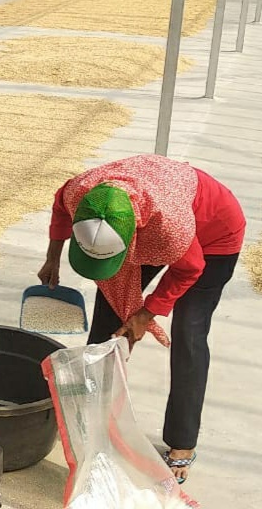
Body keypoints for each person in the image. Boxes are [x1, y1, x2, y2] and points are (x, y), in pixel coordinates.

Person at [37, 154, 245, 485]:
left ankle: (182, 442)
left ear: (132, 240)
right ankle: (94, 417)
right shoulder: (80, 192)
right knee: (110, 317)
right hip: (143, 215)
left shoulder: (168, 229)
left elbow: (190, 268)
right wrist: (53, 257)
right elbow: (61, 208)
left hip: (212, 238)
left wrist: (147, 313)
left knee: (189, 331)